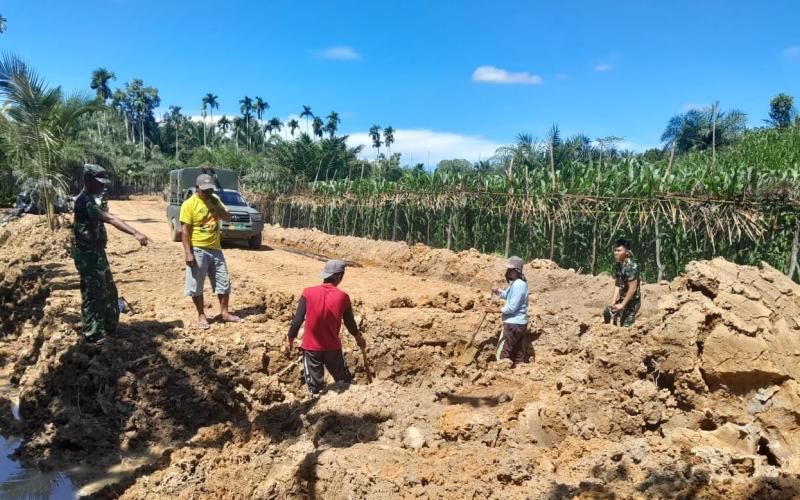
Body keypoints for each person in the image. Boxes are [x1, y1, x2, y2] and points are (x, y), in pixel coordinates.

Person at [73, 164, 151, 343]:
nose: (101, 186)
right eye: (98, 182)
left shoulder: (92, 199)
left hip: (97, 253)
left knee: (108, 290)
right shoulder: (84, 201)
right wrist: (135, 233)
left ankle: (110, 327)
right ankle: (92, 333)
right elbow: (109, 218)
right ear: (88, 180)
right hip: (88, 256)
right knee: (92, 293)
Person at [286, 260, 367, 397]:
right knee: (344, 384)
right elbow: (350, 323)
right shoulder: (343, 297)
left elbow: (297, 321)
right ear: (340, 277)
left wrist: (290, 338)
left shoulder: (308, 293)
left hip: (311, 349)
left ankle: (317, 408)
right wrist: (358, 337)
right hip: (333, 349)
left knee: (315, 389)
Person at [180, 173, 243, 329]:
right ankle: (201, 315)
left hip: (216, 249)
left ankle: (225, 313)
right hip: (198, 249)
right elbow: (185, 230)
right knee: (197, 284)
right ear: (197, 188)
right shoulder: (189, 204)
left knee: (223, 281)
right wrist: (188, 252)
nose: (208, 192)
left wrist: (216, 205)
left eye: (210, 189)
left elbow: (227, 218)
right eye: (204, 190)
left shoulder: (215, 199)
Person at [487, 256, 530, 366]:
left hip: (513, 325)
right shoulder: (516, 283)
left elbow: (512, 307)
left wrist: (495, 310)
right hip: (519, 324)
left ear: (517, 271)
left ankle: (502, 374)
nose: (508, 272)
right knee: (518, 353)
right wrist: (498, 292)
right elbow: (507, 295)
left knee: (502, 353)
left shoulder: (519, 285)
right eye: (508, 270)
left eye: (511, 270)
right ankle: (519, 373)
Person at [603, 238, 641, 327]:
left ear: (627, 252)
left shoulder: (631, 267)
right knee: (607, 312)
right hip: (622, 299)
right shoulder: (619, 265)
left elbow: (633, 288)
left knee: (626, 327)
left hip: (632, 303)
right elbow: (617, 283)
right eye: (615, 250)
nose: (616, 253)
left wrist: (622, 305)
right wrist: (613, 302)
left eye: (619, 250)